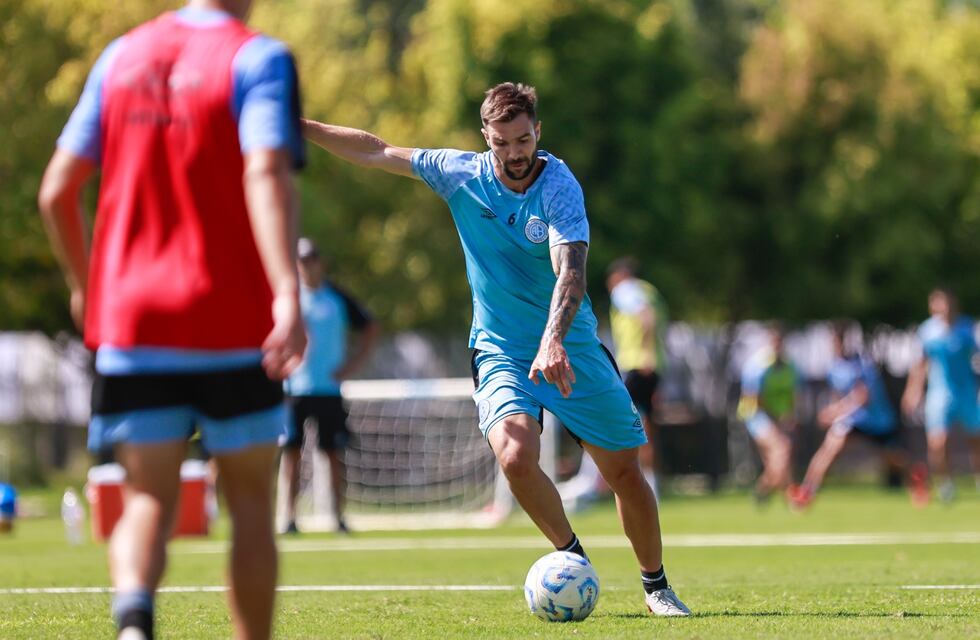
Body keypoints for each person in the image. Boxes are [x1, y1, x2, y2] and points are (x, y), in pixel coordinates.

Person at [301, 82, 691, 616]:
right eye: (503, 142)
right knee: (513, 454)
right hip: (501, 350)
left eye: (524, 140)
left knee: (625, 472)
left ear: (538, 133)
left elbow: (571, 273)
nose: (515, 153)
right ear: (486, 137)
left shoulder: (559, 187)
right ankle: (572, 559)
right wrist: (298, 127)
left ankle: (656, 585)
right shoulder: (460, 172)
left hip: (571, 347)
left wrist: (554, 339)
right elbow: (376, 149)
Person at [37, 1, 306, 638]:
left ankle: (134, 619)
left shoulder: (120, 56)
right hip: (232, 321)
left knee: (145, 499)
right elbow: (265, 170)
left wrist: (85, 285)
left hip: (134, 323)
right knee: (248, 504)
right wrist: (286, 292)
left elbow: (55, 192)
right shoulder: (258, 57)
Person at [281, 237, 380, 534]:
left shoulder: (336, 298)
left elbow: (370, 327)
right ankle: (287, 517)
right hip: (293, 391)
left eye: (312, 259)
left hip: (328, 390)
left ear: (320, 263)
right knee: (290, 456)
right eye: (302, 260)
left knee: (333, 454)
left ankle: (336, 516)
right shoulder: (288, 298)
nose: (307, 266)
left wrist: (352, 365)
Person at [789, 325, 924, 510]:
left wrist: (835, 411)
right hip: (851, 421)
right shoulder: (834, 368)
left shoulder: (862, 365)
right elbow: (837, 395)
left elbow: (863, 397)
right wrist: (832, 411)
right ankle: (807, 491)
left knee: (895, 459)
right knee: (829, 449)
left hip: (876, 421)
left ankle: (917, 481)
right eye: (834, 342)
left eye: (839, 341)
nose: (836, 346)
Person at [902, 288, 980, 502]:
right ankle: (946, 484)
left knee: (976, 440)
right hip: (939, 394)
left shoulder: (967, 328)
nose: (941, 308)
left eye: (944, 303)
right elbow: (919, 364)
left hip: (966, 392)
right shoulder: (927, 331)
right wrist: (913, 390)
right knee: (937, 442)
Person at [606, 257, 670, 495]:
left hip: (636, 365)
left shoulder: (625, 290)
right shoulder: (649, 290)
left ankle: (602, 483)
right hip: (654, 366)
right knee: (645, 427)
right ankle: (652, 486)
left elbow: (646, 316)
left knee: (615, 422)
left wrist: (645, 353)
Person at [737, 325, 797, 503]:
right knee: (782, 449)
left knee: (777, 458)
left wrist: (789, 416)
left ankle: (780, 494)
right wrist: (777, 418)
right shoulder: (758, 365)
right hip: (755, 415)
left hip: (777, 417)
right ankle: (764, 489)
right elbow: (754, 398)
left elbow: (793, 395)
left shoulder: (790, 366)